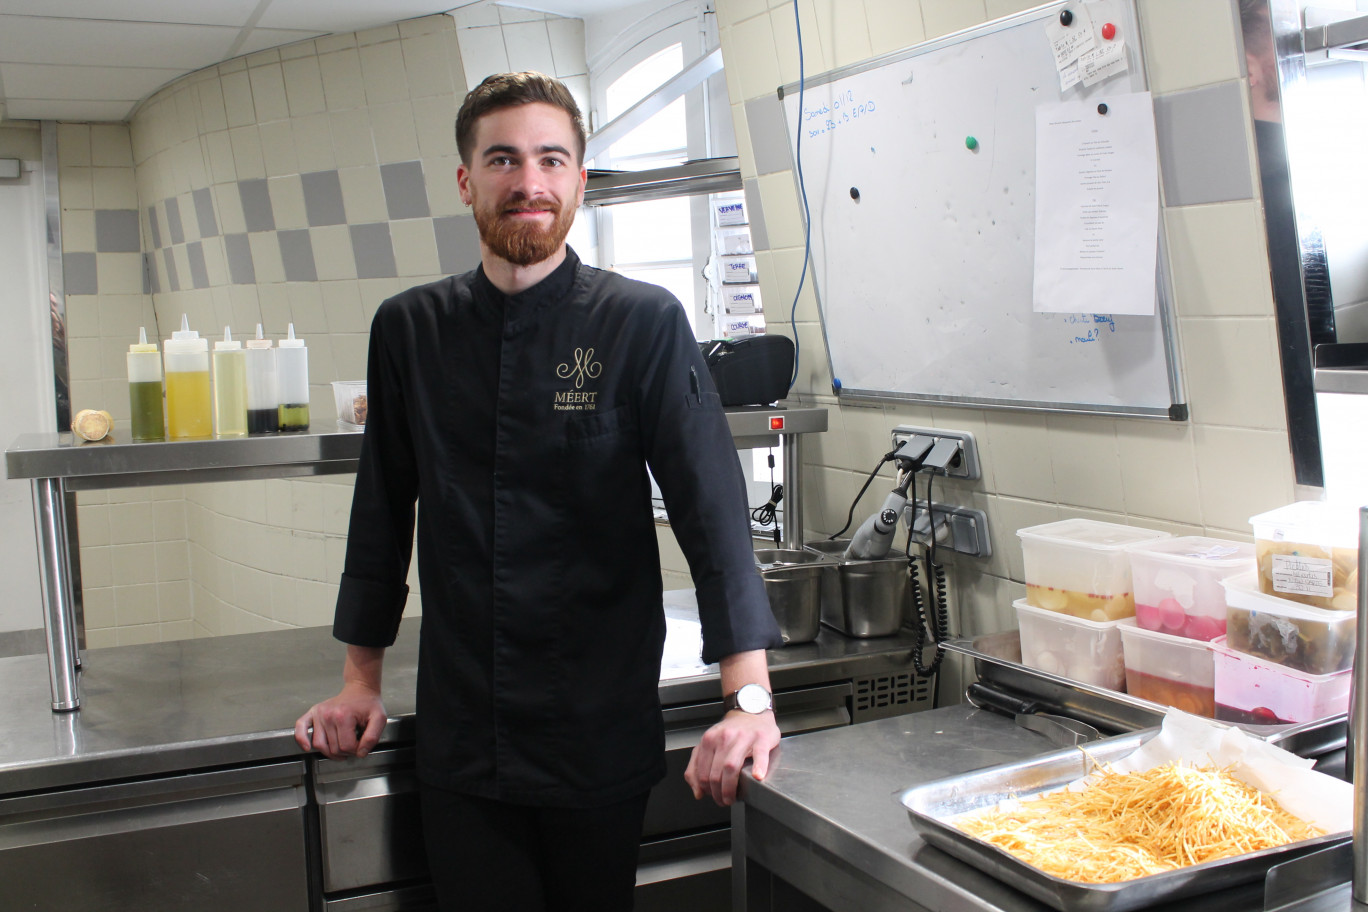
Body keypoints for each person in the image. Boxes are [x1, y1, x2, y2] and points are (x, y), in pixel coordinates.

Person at [293, 71, 784, 912]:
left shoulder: (641, 323)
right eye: (504, 159)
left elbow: (711, 514)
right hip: (463, 741)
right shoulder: (410, 330)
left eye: (552, 160)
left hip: (597, 731)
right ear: (466, 181)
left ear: (580, 181)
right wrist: (359, 681)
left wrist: (748, 697)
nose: (530, 183)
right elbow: (381, 509)